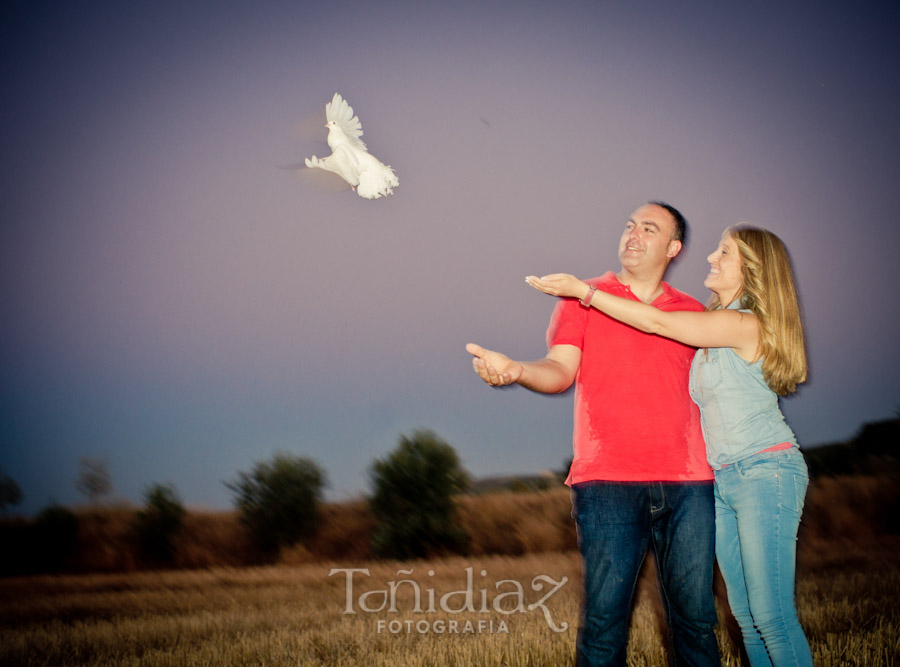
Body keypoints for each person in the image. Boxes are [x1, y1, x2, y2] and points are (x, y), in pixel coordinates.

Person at [526, 224, 812, 666]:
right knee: (746, 617)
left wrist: (586, 292)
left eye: (724, 253)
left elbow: (658, 322)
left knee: (772, 616)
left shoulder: (742, 323)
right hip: (723, 479)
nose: (711, 258)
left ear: (752, 270)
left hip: (765, 470)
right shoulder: (715, 327)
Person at [466, 202, 721, 666]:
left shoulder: (691, 311)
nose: (633, 235)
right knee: (605, 623)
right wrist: (518, 369)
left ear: (674, 247)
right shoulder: (582, 297)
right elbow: (560, 371)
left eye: (649, 228)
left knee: (696, 619)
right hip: (607, 483)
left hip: (691, 484)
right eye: (629, 225)